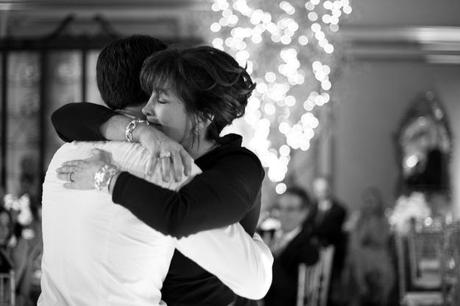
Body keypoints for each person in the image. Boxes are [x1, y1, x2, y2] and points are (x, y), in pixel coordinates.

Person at [50, 38, 268, 305]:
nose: (146, 108)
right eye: (149, 95)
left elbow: (180, 216)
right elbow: (65, 118)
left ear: (202, 114)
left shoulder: (237, 166)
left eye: (161, 99)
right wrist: (142, 132)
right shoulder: (156, 150)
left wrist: (106, 177)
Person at [264, 186, 319, 306]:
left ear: (304, 213)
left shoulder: (309, 248)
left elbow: (290, 292)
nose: (282, 214)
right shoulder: (266, 234)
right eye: (280, 208)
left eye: (290, 209)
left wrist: (267, 254)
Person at [344, 187, 394, 306]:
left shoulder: (383, 219)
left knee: (384, 268)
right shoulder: (358, 218)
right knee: (356, 258)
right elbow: (357, 240)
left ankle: (379, 296)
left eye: (372, 201)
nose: (369, 205)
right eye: (367, 201)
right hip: (360, 255)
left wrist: (372, 223)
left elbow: (381, 241)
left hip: (378, 254)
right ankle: (362, 289)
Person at [311, 176, 347, 306]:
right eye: (318, 190)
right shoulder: (312, 208)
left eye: (323, 189)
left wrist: (315, 236)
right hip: (313, 253)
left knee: (329, 286)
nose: (321, 193)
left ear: (329, 189)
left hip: (332, 253)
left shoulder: (339, 209)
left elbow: (331, 231)